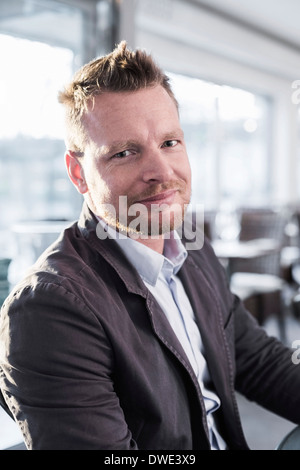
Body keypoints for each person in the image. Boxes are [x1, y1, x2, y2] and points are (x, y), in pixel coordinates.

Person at [0, 41, 300, 451]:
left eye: (170, 143)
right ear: (78, 174)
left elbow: (253, 358)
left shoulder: (191, 249)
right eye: (124, 153)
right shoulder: (49, 310)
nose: (161, 171)